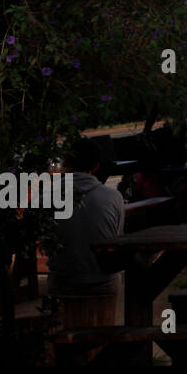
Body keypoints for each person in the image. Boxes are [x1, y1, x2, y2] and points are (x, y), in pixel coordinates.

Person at [47, 137, 124, 328]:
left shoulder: (47, 196)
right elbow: (116, 241)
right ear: (97, 166)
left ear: (66, 163)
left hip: (62, 281)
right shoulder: (113, 197)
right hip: (102, 282)